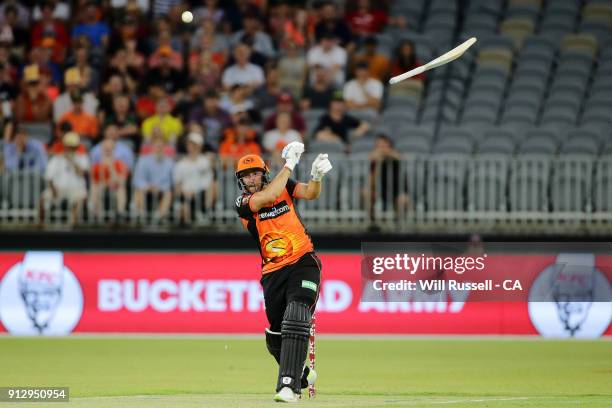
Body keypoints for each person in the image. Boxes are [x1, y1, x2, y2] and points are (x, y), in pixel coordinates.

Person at [234, 142, 332, 402]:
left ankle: (288, 386)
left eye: (255, 173)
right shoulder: (243, 202)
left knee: (296, 314)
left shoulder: (284, 185)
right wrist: (289, 164)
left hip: (303, 261)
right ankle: (301, 373)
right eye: (245, 176)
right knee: (275, 335)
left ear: (264, 173)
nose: (250, 178)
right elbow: (267, 197)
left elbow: (311, 193)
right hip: (273, 272)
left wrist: (316, 177)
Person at [42, 131, 89, 225]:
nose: (70, 149)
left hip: (76, 188)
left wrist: (72, 161)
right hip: (58, 188)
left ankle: (73, 225)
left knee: (81, 197)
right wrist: (53, 189)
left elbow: (83, 174)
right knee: (43, 198)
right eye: (68, 146)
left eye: (73, 147)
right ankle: (42, 224)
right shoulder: (56, 159)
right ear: (64, 146)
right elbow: (49, 176)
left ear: (76, 147)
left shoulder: (82, 157)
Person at [173, 132, 215, 223]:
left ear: (199, 146)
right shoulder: (181, 164)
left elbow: (208, 181)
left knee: (211, 188)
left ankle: (204, 212)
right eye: (190, 144)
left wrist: (196, 192)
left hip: (201, 194)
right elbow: (177, 184)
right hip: (185, 195)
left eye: (194, 145)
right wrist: (185, 193)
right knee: (183, 213)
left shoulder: (205, 162)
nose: (192, 147)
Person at [132, 134, 174, 221]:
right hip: (146, 188)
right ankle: (141, 216)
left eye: (161, 146)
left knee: (168, 193)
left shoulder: (170, 162)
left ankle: (159, 217)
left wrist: (159, 187)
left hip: (162, 189)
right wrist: (148, 186)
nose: (159, 148)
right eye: (157, 146)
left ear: (165, 147)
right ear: (152, 147)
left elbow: (171, 181)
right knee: (139, 190)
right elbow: (137, 179)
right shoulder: (143, 160)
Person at [90, 137, 129, 220]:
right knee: (95, 188)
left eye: (110, 149)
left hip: (115, 187)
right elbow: (94, 181)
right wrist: (104, 183)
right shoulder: (96, 166)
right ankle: (97, 216)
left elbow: (121, 181)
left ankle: (120, 214)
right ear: (102, 150)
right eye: (105, 149)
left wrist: (111, 167)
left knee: (121, 189)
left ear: (113, 150)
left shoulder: (120, 164)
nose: (107, 150)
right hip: (101, 186)